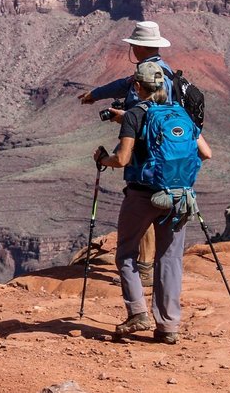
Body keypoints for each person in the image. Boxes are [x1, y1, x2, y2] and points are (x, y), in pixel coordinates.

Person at [92, 62, 211, 344]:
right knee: (169, 260)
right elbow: (206, 153)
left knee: (126, 253)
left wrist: (101, 159)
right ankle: (168, 327)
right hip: (178, 197)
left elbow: (121, 159)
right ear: (164, 87)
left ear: (137, 86)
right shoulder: (182, 113)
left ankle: (137, 313)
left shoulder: (135, 115)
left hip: (143, 195)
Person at [78, 20, 177, 287]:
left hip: (147, 155)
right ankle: (149, 267)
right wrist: (96, 95)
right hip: (156, 152)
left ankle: (144, 270)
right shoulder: (158, 71)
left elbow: (154, 117)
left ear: (140, 46)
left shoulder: (154, 74)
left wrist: (127, 118)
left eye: (134, 43)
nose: (131, 46)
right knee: (151, 205)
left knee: (144, 205)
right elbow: (125, 84)